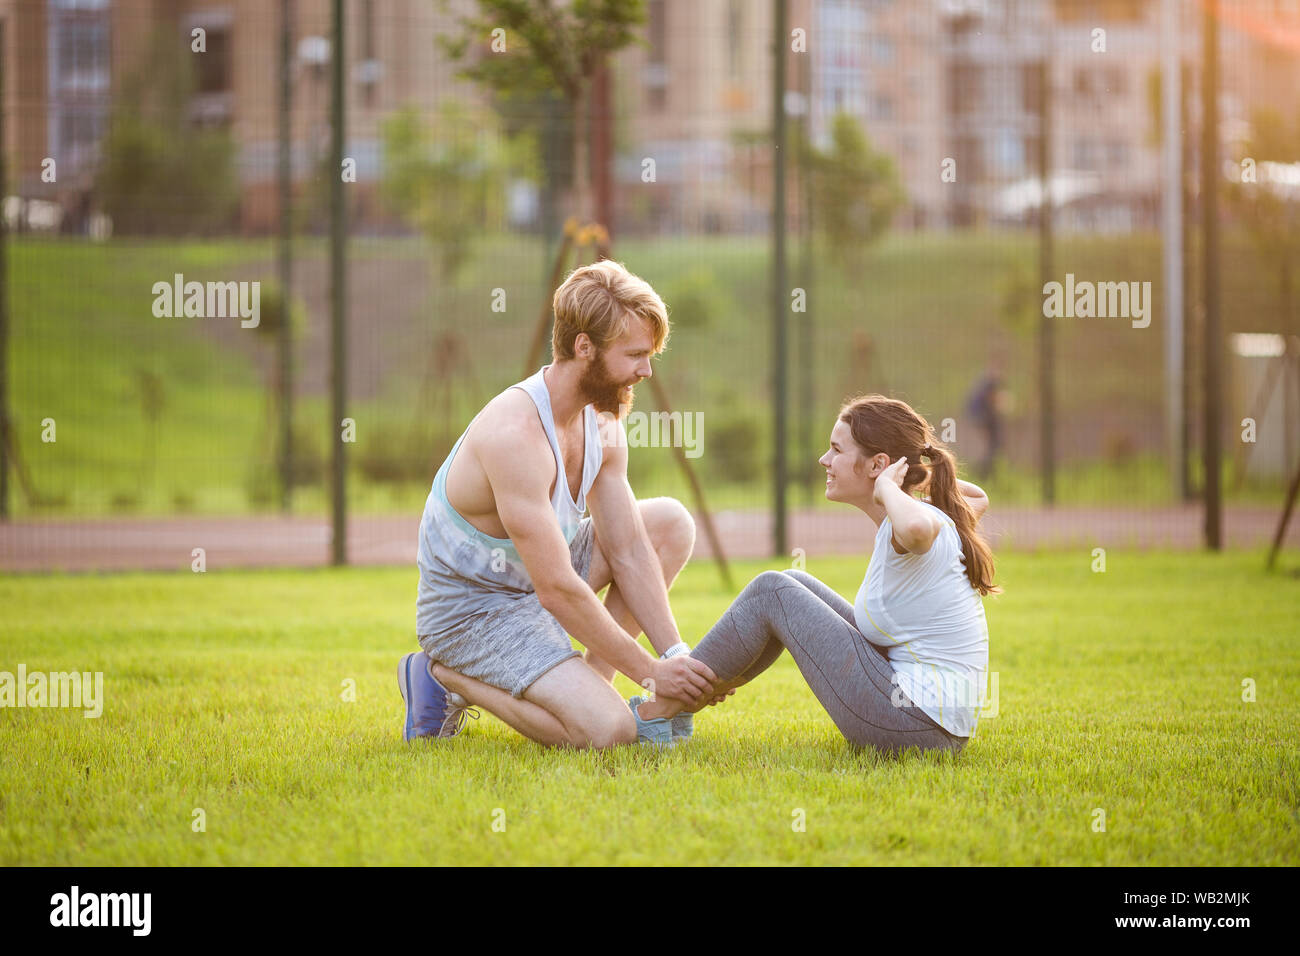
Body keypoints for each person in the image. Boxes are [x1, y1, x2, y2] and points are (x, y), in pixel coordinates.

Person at [400, 260, 720, 749]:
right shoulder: (515, 435)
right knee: (611, 733)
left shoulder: (604, 421)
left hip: (531, 582)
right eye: (634, 355)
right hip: (476, 612)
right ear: (584, 347)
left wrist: (674, 657)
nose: (646, 370)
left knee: (670, 524)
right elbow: (556, 588)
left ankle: (595, 689)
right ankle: (446, 676)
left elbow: (630, 547)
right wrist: (651, 675)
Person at [634, 394, 999, 756]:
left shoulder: (917, 523)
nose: (825, 460)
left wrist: (888, 486)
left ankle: (656, 712)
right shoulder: (924, 516)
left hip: (914, 725)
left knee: (772, 592)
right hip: (927, 723)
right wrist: (907, 474)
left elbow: (919, 531)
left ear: (877, 465)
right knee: (795, 584)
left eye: (837, 450)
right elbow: (977, 497)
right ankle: (679, 708)